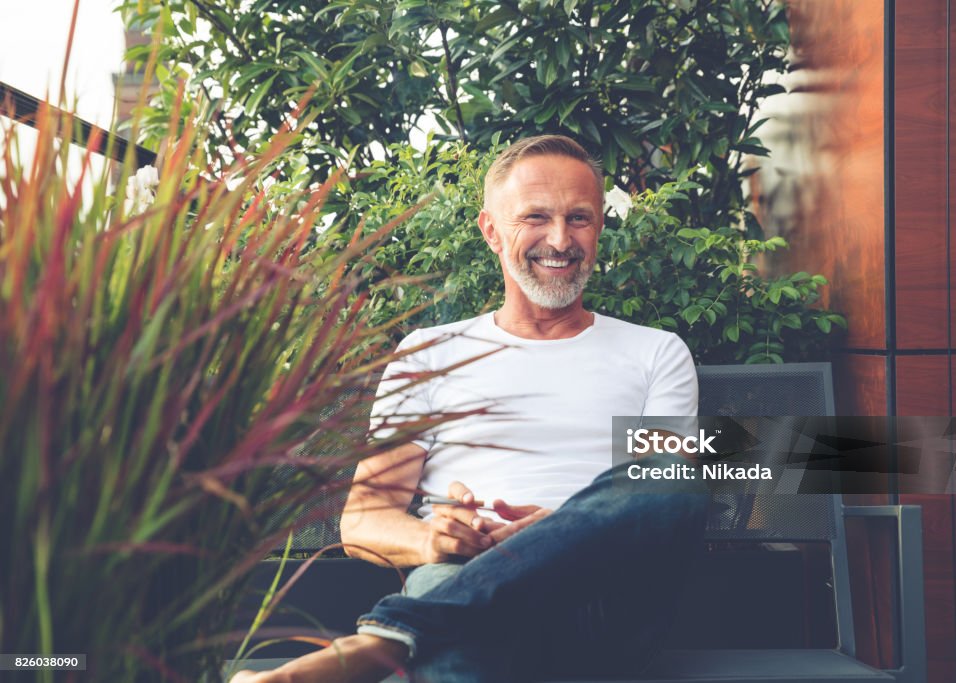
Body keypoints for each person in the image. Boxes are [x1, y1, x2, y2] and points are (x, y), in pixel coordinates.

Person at [231, 135, 708, 683]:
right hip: (463, 578)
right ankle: (403, 636)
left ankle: (379, 646)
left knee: (671, 480)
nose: (560, 239)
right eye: (535, 217)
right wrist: (432, 538)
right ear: (490, 232)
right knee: (449, 610)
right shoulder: (430, 352)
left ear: (600, 227)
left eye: (579, 218)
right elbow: (362, 520)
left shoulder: (656, 352)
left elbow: (662, 498)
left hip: (600, 603)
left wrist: (562, 531)